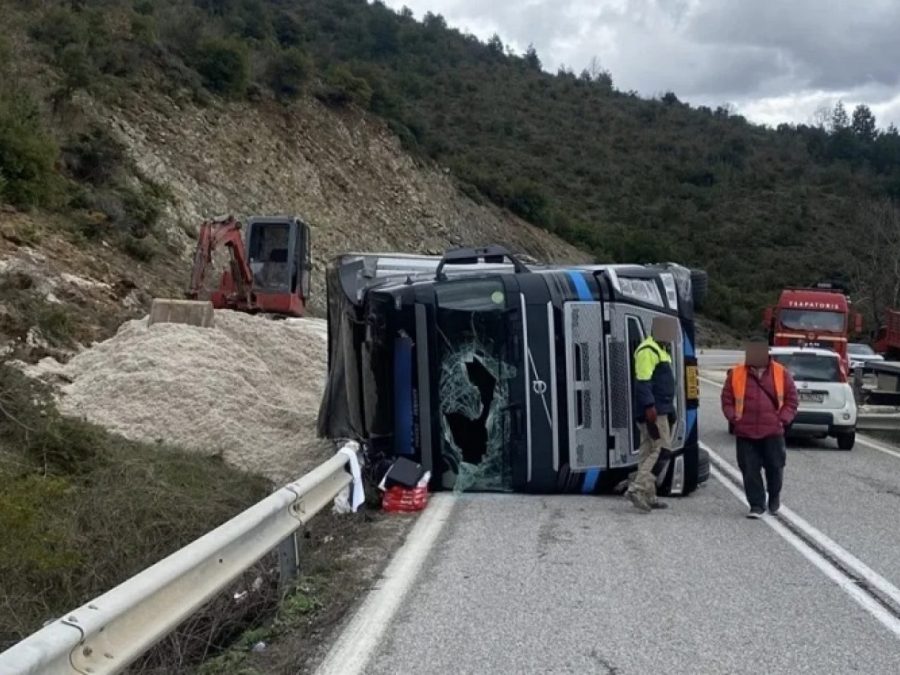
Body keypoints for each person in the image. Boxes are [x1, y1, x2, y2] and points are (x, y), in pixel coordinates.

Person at [721, 342, 798, 518]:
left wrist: (783, 419)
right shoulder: (736, 373)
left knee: (775, 467)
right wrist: (733, 417)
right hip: (745, 431)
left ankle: (774, 495)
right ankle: (756, 505)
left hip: (773, 431)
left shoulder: (781, 373)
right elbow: (727, 400)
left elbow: (792, 400)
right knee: (749, 469)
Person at [626, 316, 678, 513]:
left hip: (661, 410)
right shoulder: (647, 351)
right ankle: (638, 488)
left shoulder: (660, 350)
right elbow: (643, 382)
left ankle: (648, 494)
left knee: (648, 450)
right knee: (662, 449)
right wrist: (650, 407)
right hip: (654, 413)